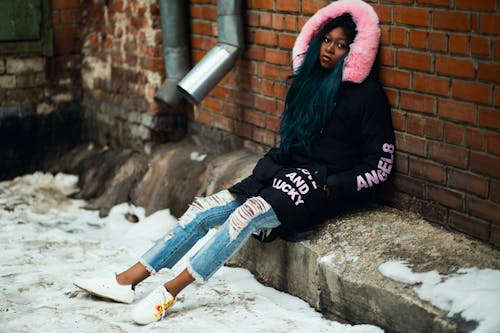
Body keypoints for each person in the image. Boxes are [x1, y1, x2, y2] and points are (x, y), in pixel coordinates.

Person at [74, 0, 395, 325]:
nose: (330, 49)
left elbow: (380, 167)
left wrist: (332, 186)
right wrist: (261, 177)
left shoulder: (366, 95)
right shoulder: (306, 83)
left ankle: (168, 293)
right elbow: (289, 146)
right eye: (327, 40)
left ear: (355, 51)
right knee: (203, 210)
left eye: (341, 45)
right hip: (282, 173)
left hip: (319, 186)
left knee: (245, 215)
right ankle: (126, 281)